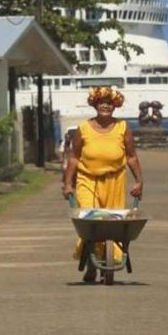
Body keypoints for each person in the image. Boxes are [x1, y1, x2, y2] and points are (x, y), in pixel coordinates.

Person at [62, 86, 143, 282]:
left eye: (109, 103)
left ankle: (104, 261)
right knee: (91, 220)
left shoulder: (123, 127)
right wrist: (68, 184)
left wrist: (139, 181)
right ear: (95, 105)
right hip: (87, 179)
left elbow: (131, 157)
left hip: (114, 180)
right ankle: (92, 264)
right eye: (101, 103)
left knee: (111, 224)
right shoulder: (83, 129)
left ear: (115, 107)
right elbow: (74, 158)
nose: (105, 106)